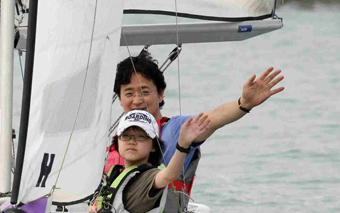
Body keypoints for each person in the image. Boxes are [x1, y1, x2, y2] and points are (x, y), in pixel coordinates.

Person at [105, 52, 285, 196]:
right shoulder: (113, 139)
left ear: (160, 95)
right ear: (119, 99)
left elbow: (215, 117)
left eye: (144, 92)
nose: (137, 100)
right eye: (129, 93)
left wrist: (244, 104)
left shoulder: (177, 129)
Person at [90, 110, 210, 213]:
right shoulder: (114, 173)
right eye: (126, 136)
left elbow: (169, 175)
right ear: (117, 143)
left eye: (141, 136)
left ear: (154, 145)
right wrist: (94, 209)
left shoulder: (150, 176)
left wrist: (182, 145)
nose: (132, 141)